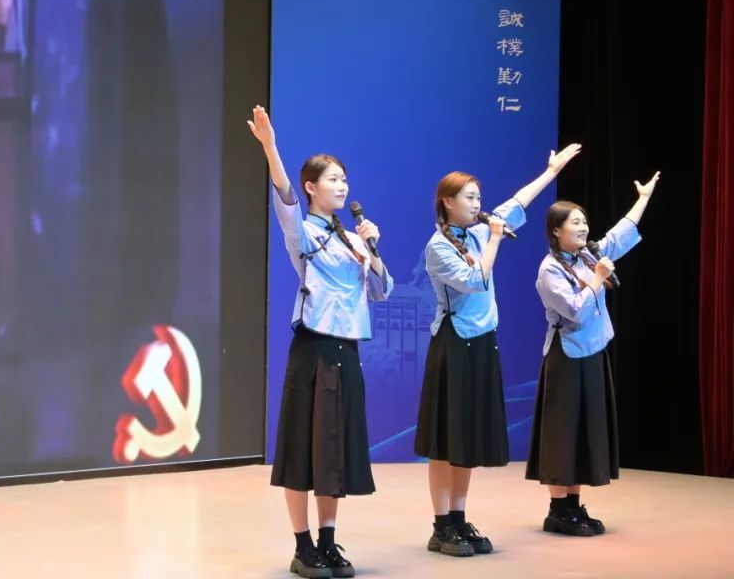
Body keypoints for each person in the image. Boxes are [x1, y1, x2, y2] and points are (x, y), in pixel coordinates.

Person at [249, 105, 394, 578]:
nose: (342, 186)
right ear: (312, 187)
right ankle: (302, 547)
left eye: (344, 179)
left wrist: (373, 250)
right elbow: (284, 198)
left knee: (334, 449)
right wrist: (271, 148)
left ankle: (329, 543)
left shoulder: (354, 238)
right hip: (312, 349)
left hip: (346, 349)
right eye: (332, 179)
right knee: (302, 449)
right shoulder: (304, 232)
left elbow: (382, 290)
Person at [415, 144, 581, 557]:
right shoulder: (438, 246)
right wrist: (493, 238)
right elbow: (476, 280)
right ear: (447, 202)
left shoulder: (478, 230)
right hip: (453, 344)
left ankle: (459, 517)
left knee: (467, 438)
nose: (478, 205)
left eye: (479, 197)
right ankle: (441, 525)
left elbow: (519, 201)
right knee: (445, 439)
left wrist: (551, 171)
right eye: (469, 198)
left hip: (482, 342)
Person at [526, 172, 660, 536]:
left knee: (583, 429)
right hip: (566, 356)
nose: (583, 227)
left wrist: (643, 198)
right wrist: (598, 278)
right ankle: (557, 510)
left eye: (584, 221)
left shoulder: (589, 255)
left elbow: (621, 233)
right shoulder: (549, 269)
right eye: (575, 223)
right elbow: (574, 311)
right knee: (562, 432)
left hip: (594, 352)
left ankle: (574, 505)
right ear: (556, 231)